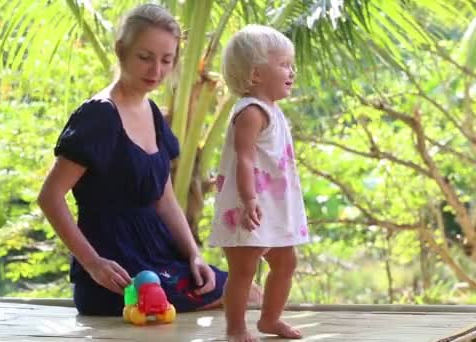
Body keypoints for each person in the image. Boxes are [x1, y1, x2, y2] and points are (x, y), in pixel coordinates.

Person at [37, 4, 229, 316]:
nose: (156, 70)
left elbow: (164, 200)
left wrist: (194, 255)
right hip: (118, 272)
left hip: (160, 258)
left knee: (245, 290)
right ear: (121, 50)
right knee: (238, 295)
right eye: (145, 57)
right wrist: (93, 263)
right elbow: (49, 197)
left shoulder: (153, 114)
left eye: (166, 60)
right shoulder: (99, 115)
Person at [210, 25, 310, 341]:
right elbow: (245, 158)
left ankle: (269, 319)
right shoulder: (251, 112)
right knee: (244, 268)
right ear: (255, 75)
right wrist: (249, 198)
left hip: (273, 205)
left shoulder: (273, 110)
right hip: (248, 203)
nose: (291, 71)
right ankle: (236, 329)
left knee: (286, 261)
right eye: (283, 64)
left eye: (291, 64)